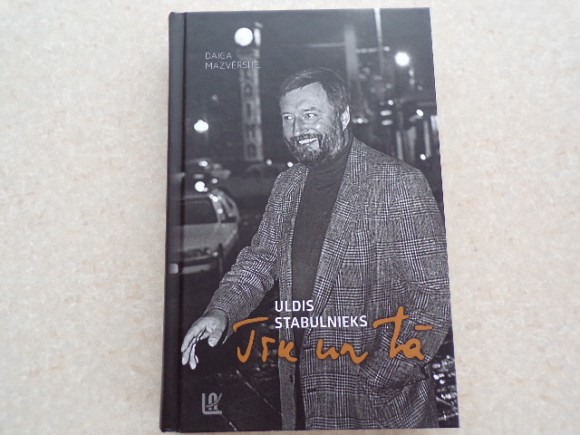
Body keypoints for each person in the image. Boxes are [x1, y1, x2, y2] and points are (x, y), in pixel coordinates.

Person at [181, 67, 451, 430]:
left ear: (343, 116)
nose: (297, 129)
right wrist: (221, 312)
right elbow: (260, 261)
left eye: (310, 115)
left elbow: (434, 294)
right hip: (302, 397)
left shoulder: (397, 183)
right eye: (288, 118)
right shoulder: (287, 186)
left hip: (380, 406)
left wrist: (382, 374)